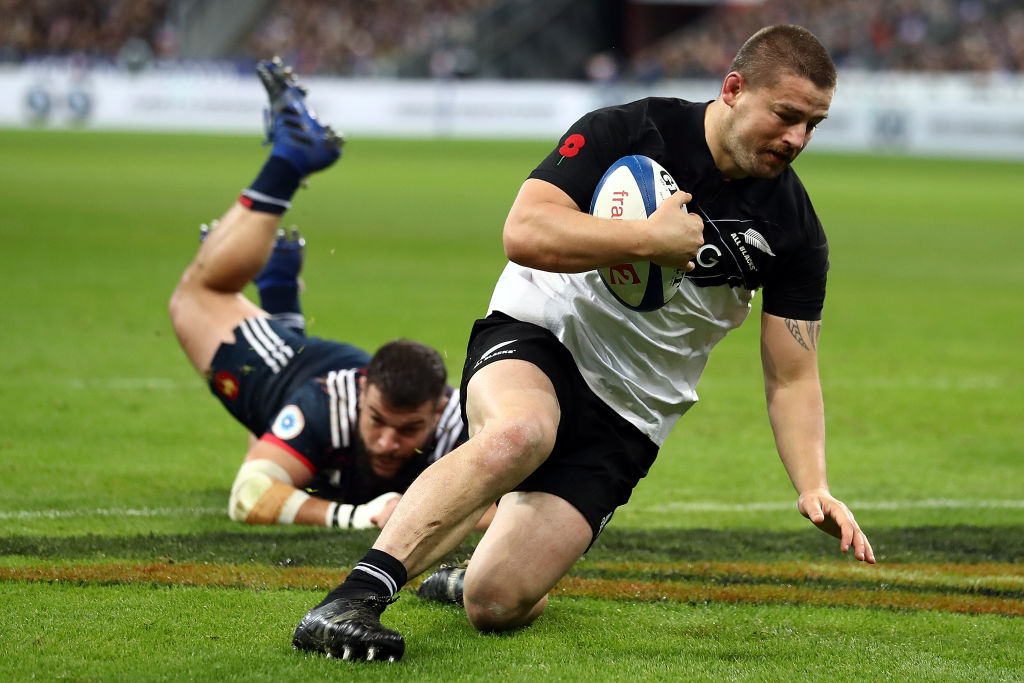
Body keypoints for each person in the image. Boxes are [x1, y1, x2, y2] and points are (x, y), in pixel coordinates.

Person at [291, 24, 876, 663]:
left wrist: (812, 483)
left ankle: (475, 567)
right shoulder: (628, 130)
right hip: (542, 332)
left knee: (496, 604)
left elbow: (791, 375)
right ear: (734, 89)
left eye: (813, 124)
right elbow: (525, 230)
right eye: (786, 116)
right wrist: (649, 242)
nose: (798, 139)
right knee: (520, 434)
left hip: (632, 414)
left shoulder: (794, 229)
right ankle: (351, 602)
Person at [169, 58, 483, 531]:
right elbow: (249, 495)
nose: (386, 443)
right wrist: (355, 517)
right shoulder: (329, 403)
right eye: (377, 421)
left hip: (333, 416)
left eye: (409, 430)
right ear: (362, 393)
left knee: (304, 466)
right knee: (198, 295)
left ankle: (278, 287)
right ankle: (290, 159)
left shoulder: (464, 425)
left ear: (440, 410)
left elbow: (526, 507)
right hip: (292, 375)